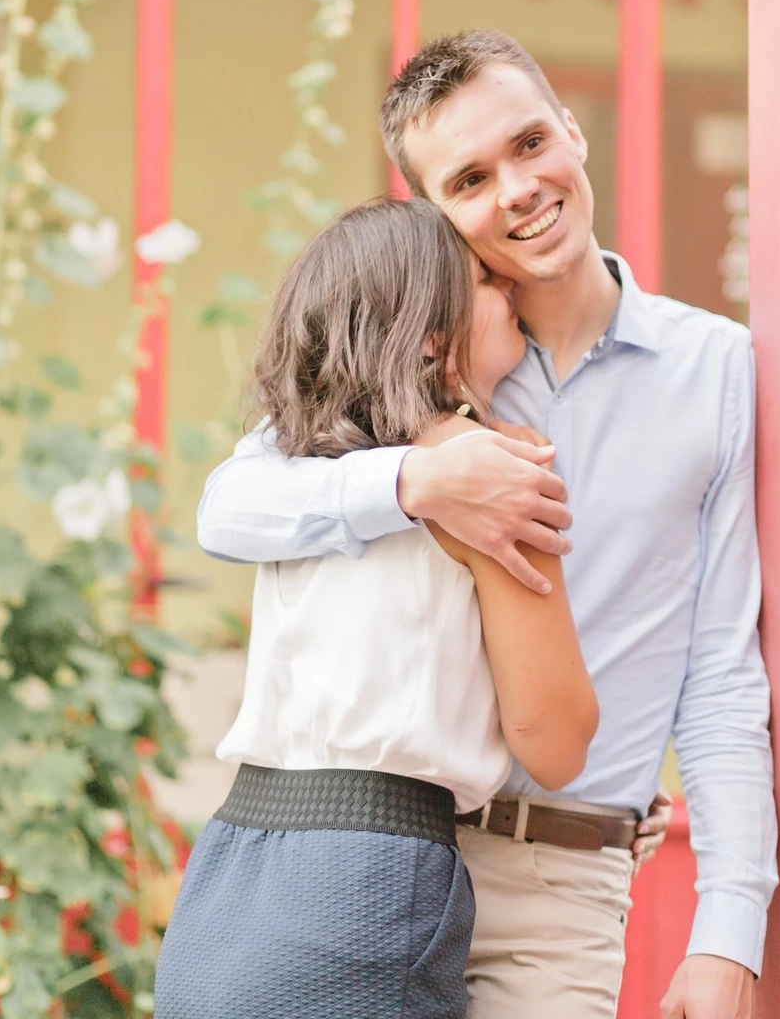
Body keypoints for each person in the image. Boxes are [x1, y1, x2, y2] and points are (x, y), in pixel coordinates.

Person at [198, 29, 779, 1019]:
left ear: (572, 134)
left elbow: (721, 671)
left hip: (566, 877)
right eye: (469, 178)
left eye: (528, 145)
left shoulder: (714, 369)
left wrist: (729, 924)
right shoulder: (405, 374)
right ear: (434, 211)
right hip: (391, 852)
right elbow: (231, 504)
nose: (515, 190)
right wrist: (416, 482)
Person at [154, 196, 598, 1019]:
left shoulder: (295, 467)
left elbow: (220, 510)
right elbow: (559, 740)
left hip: (226, 874)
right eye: (488, 282)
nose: (511, 294)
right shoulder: (490, 475)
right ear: (434, 334)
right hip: (365, 878)